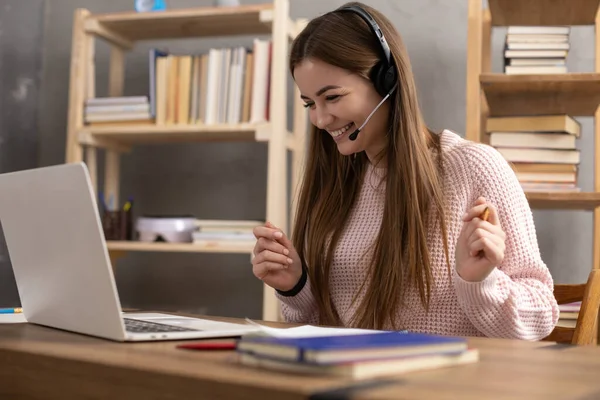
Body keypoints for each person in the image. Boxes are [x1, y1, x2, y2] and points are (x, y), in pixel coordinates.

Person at [251, 1, 559, 340]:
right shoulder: (338, 181)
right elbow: (330, 327)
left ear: (387, 80)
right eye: (310, 103)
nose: (321, 120)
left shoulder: (473, 167)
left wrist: (480, 281)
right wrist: (297, 286)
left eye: (333, 97)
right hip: (355, 380)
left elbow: (541, 316)